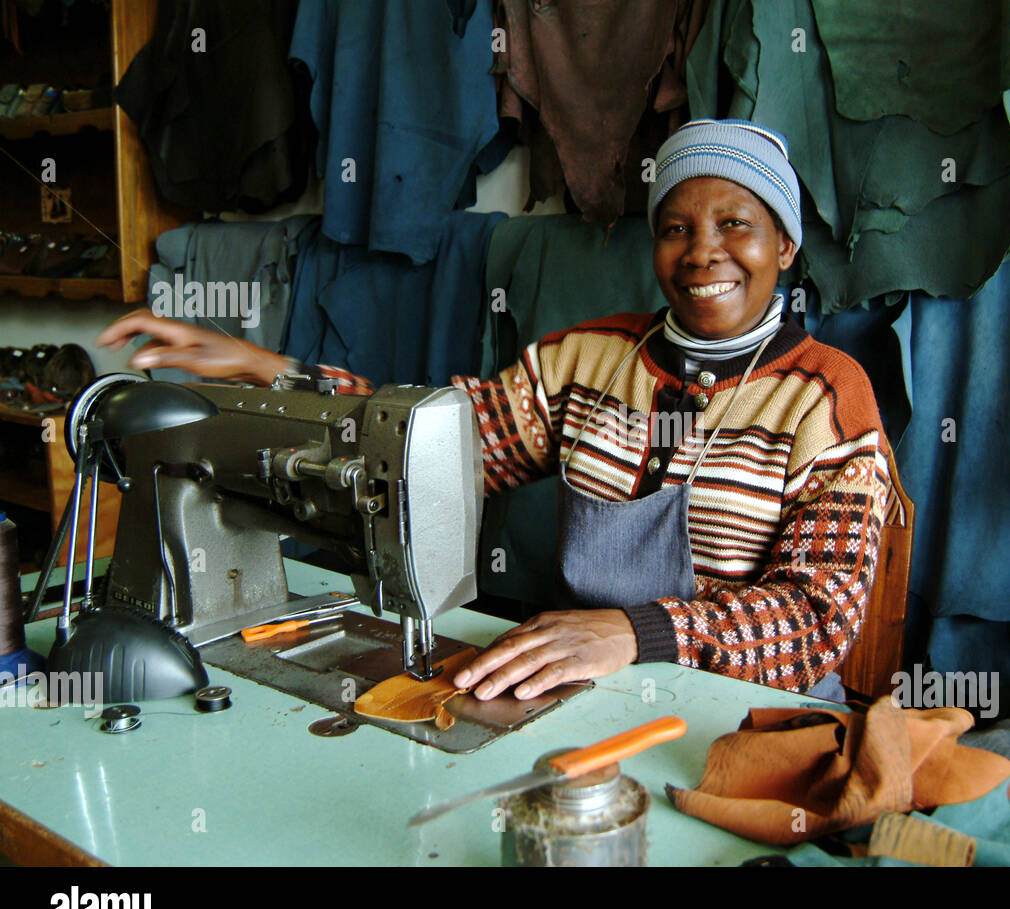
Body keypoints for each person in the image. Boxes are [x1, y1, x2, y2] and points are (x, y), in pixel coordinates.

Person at [96, 119, 892, 705]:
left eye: (735, 226)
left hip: (750, 712)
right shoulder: (591, 360)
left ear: (784, 246)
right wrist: (270, 370)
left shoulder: (826, 395)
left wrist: (636, 633)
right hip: (581, 686)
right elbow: (434, 445)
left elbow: (818, 618)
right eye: (675, 229)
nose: (701, 253)